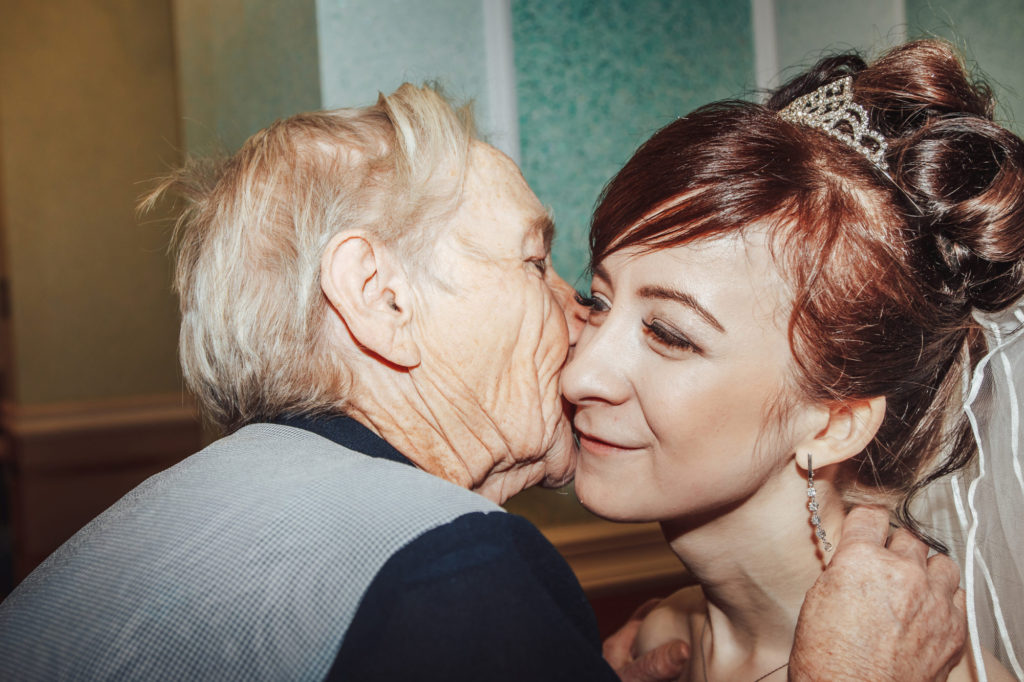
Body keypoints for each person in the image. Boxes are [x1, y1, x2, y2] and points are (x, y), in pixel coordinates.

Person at [0, 83, 963, 681]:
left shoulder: (206, 508)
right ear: (378, 298)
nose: (582, 353)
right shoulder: (446, 579)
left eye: (666, 331)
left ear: (835, 422)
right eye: (542, 269)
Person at [562, 39, 1022, 681]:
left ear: (832, 423)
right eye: (598, 301)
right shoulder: (660, 640)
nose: (580, 373)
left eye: (669, 334)